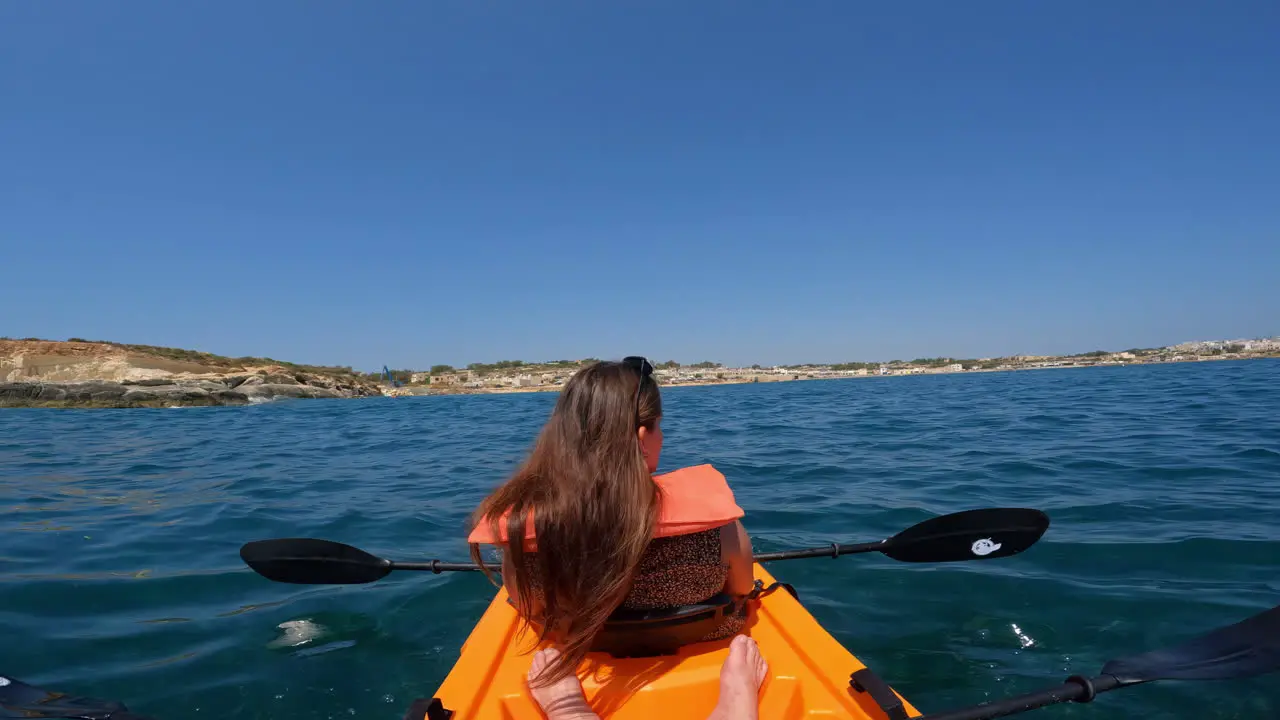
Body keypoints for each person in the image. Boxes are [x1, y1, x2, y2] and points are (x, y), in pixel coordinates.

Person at [467, 357, 768, 720]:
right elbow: (740, 587)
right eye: (660, 426)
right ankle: (736, 702)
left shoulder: (522, 526)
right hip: (704, 636)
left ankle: (570, 711)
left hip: (579, 645)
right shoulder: (715, 522)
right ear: (643, 435)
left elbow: (527, 606)